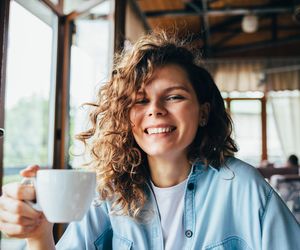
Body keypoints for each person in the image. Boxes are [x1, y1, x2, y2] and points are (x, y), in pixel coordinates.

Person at [0, 31, 299, 250]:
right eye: (140, 101)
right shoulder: (109, 196)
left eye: (174, 96)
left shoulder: (244, 187)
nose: (155, 109)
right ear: (126, 118)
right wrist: (39, 235)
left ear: (204, 112)